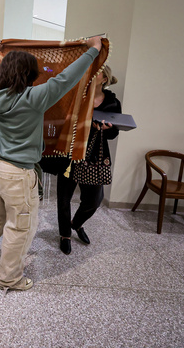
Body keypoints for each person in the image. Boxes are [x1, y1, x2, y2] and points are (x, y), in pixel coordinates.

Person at [0, 36, 103, 292]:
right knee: (20, 226)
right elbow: (66, 79)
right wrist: (93, 51)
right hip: (18, 173)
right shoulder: (35, 97)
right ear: (30, 74)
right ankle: (8, 278)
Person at [57, 65, 122, 255]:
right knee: (64, 197)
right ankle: (65, 234)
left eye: (98, 72)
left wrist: (108, 129)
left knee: (94, 199)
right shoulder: (77, 96)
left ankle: (76, 224)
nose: (92, 74)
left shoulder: (113, 103)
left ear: (104, 79)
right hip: (70, 153)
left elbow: (114, 133)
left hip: (96, 156)